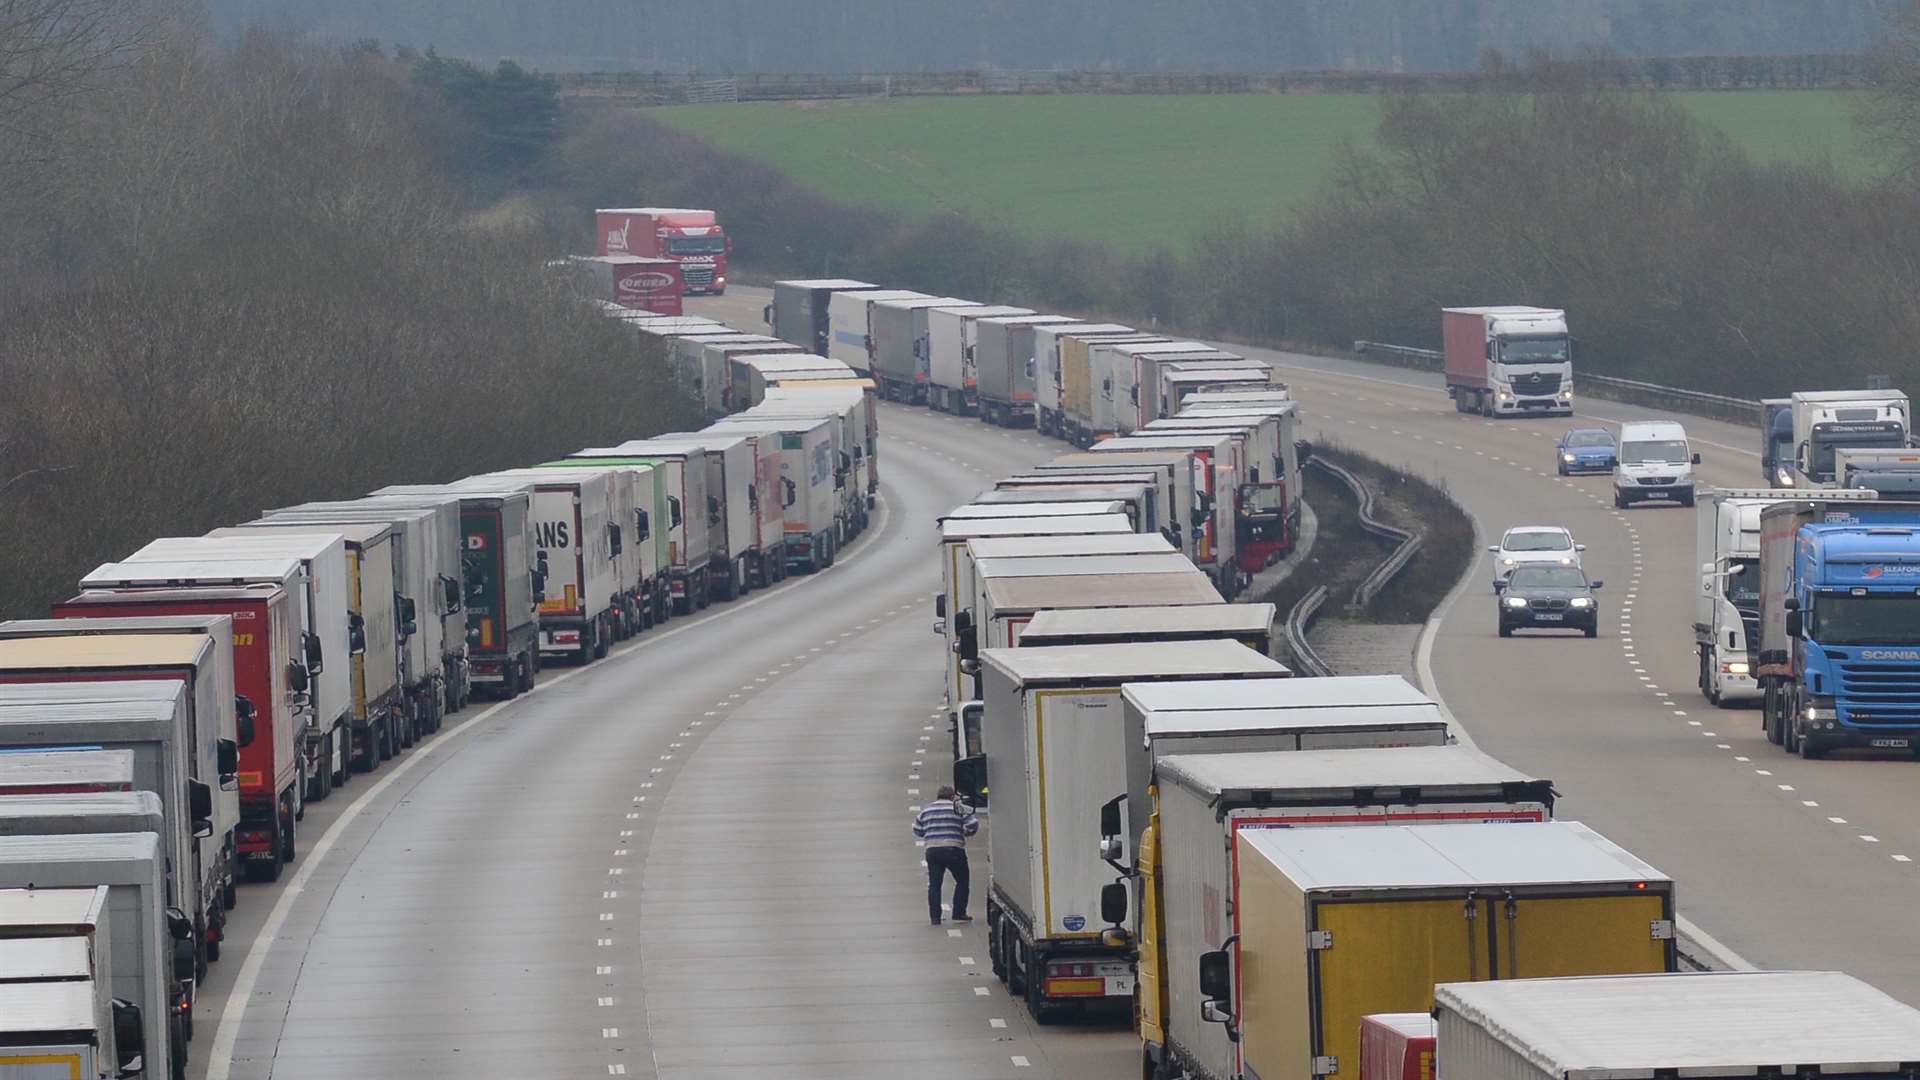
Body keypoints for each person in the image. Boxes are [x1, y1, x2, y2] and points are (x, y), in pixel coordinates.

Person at [913, 785, 978, 925]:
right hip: (954, 849)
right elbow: (973, 824)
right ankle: (959, 913)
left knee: (935, 885)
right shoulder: (958, 808)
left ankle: (935, 917)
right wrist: (966, 833)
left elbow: (917, 829)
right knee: (962, 881)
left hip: (933, 850)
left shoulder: (927, 810)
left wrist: (929, 833)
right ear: (952, 796)